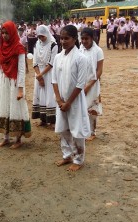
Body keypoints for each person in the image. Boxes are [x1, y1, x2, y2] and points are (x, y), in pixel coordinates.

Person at [52, 25, 90, 172]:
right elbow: (54, 80)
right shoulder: (57, 57)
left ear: (75, 39)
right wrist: (58, 99)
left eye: (66, 38)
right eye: (61, 38)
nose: (63, 41)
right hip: (61, 101)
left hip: (74, 101)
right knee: (63, 129)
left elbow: (80, 84)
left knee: (77, 130)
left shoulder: (81, 58)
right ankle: (67, 154)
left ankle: (79, 159)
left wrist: (68, 102)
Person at [0, 21, 32, 149]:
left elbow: (21, 70)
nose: (4, 36)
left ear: (12, 33)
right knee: (4, 107)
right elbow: (0, 69)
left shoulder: (18, 48)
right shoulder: (1, 48)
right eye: (2, 33)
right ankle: (5, 137)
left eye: (7, 33)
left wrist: (20, 89)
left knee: (16, 109)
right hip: (5, 82)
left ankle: (18, 138)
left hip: (15, 83)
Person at [79, 28, 104, 141]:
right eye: (82, 38)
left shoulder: (98, 51)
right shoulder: (80, 49)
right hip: (81, 82)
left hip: (92, 83)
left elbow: (99, 71)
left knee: (91, 107)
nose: (84, 41)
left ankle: (92, 132)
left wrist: (89, 85)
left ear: (92, 38)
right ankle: (84, 130)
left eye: (86, 39)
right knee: (82, 107)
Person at [32, 25, 58, 127]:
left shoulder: (53, 45)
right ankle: (43, 119)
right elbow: (35, 62)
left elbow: (51, 63)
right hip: (38, 73)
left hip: (49, 73)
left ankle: (52, 120)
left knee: (50, 95)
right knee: (40, 95)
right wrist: (39, 76)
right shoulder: (37, 44)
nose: (41, 39)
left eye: (43, 36)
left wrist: (41, 75)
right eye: (39, 37)